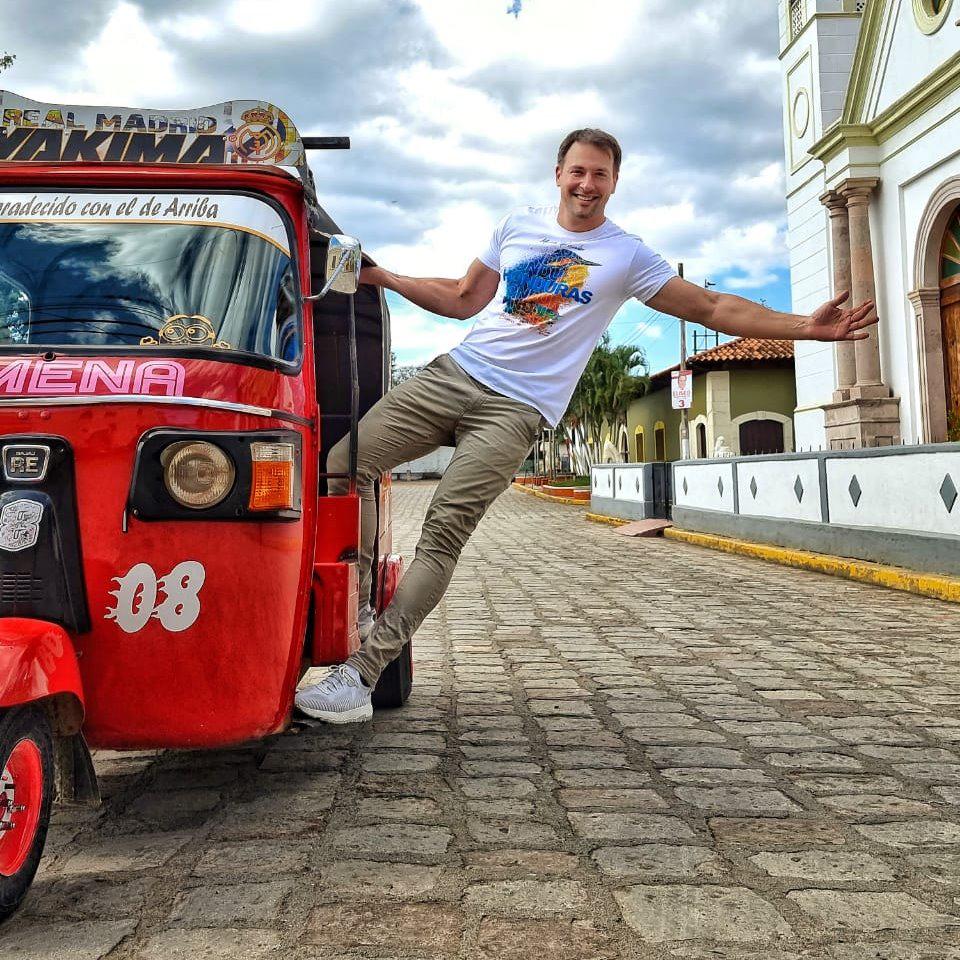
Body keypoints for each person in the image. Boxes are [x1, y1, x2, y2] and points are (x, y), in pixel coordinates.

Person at [295, 128, 877, 723]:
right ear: (558, 174)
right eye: (578, 171)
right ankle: (361, 605)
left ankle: (360, 676)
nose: (587, 185)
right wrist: (385, 277)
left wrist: (806, 326)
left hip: (516, 409)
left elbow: (712, 307)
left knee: (443, 532)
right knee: (344, 464)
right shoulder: (517, 226)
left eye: (600, 175)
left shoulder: (626, 256)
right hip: (455, 373)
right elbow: (465, 297)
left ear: (615, 183)